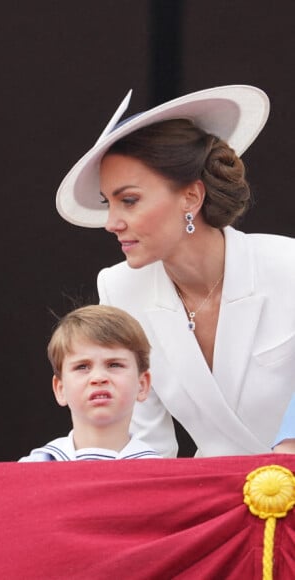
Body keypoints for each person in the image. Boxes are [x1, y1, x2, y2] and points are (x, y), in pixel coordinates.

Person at [55, 85, 295, 458]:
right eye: (109, 203)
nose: (112, 222)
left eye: (129, 200)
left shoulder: (288, 265)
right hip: (211, 502)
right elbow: (146, 444)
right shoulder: (120, 288)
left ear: (191, 197)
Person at [19, 305, 160, 461]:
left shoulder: (162, 474)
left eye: (114, 365)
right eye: (82, 366)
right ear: (60, 389)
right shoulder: (30, 470)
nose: (98, 378)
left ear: (142, 384)